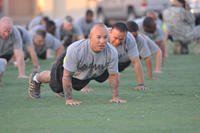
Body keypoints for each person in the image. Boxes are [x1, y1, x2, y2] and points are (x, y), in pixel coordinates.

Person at [28, 23, 126, 105]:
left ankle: (64, 88)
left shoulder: (112, 52)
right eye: (98, 37)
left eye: (105, 37)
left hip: (85, 71)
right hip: (67, 66)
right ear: (90, 37)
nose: (102, 41)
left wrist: (115, 97)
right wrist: (69, 99)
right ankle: (36, 78)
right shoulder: (76, 49)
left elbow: (113, 75)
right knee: (55, 84)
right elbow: (66, 76)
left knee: (103, 75)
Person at [109, 22, 148, 90]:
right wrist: (84, 86)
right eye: (115, 38)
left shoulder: (130, 39)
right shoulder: (102, 36)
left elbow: (136, 61)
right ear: (110, 33)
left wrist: (140, 84)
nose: (118, 41)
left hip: (120, 62)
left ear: (126, 35)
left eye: (121, 39)